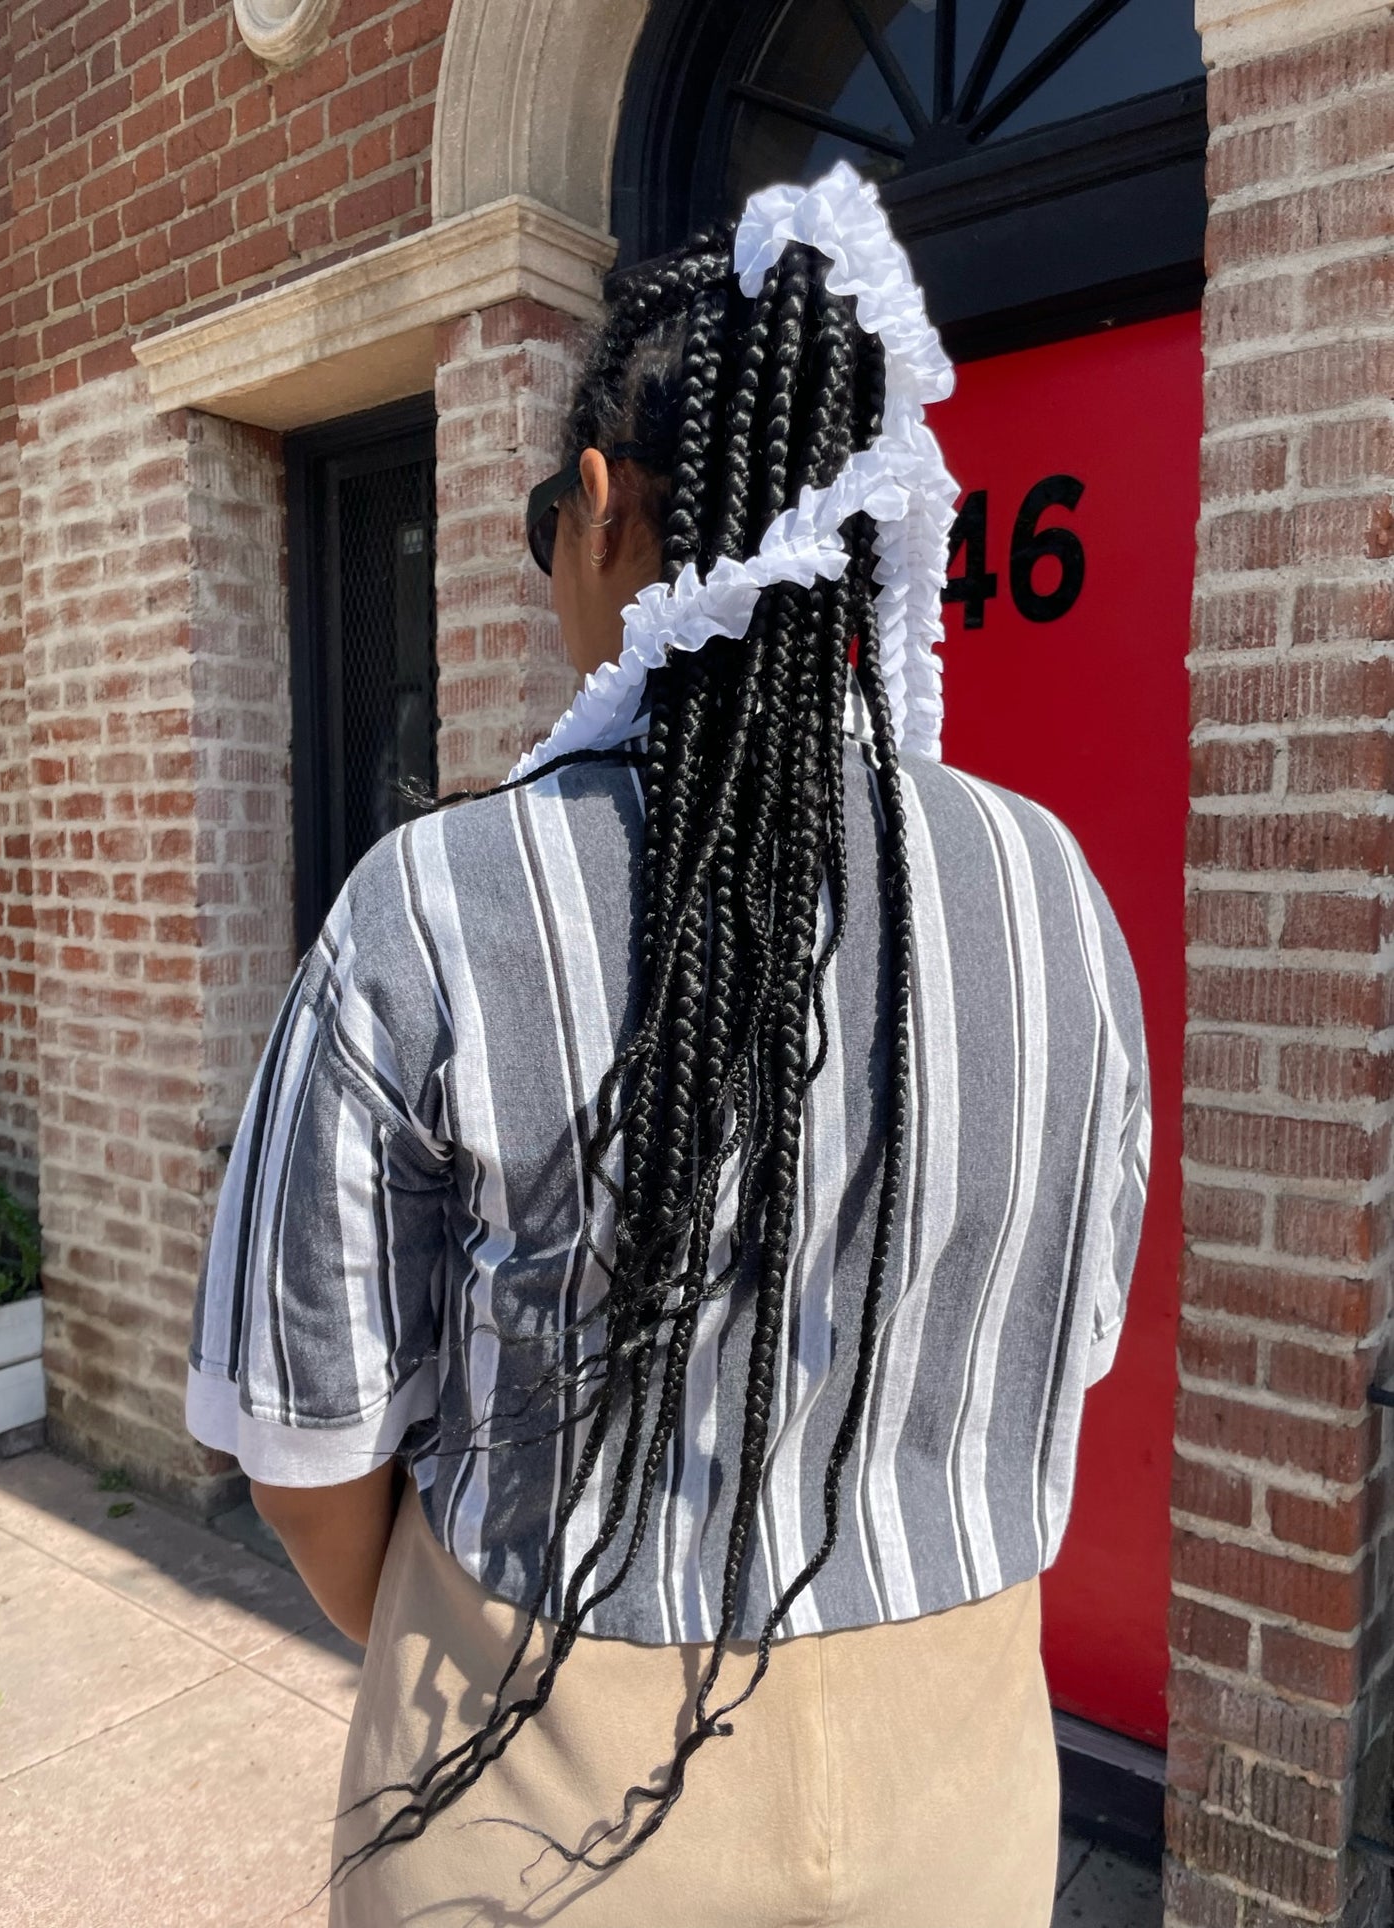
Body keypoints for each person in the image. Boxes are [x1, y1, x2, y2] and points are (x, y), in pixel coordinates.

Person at [186, 162, 1150, 1928]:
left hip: (531, 1803)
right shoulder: (1049, 890)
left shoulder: (437, 901)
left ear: (609, 507)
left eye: (545, 510)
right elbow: (1067, 1342)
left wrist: (477, 1627)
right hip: (960, 1802)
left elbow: (305, 1443)